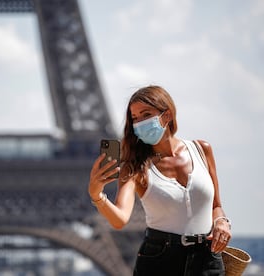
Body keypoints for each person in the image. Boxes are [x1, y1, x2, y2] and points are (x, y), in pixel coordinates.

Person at [88, 85, 231, 275]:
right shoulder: (135, 166)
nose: (139, 123)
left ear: (167, 115)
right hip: (160, 259)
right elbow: (120, 220)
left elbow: (216, 206)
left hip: (207, 258)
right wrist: (96, 194)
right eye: (135, 118)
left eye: (146, 115)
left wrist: (221, 221)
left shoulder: (202, 150)